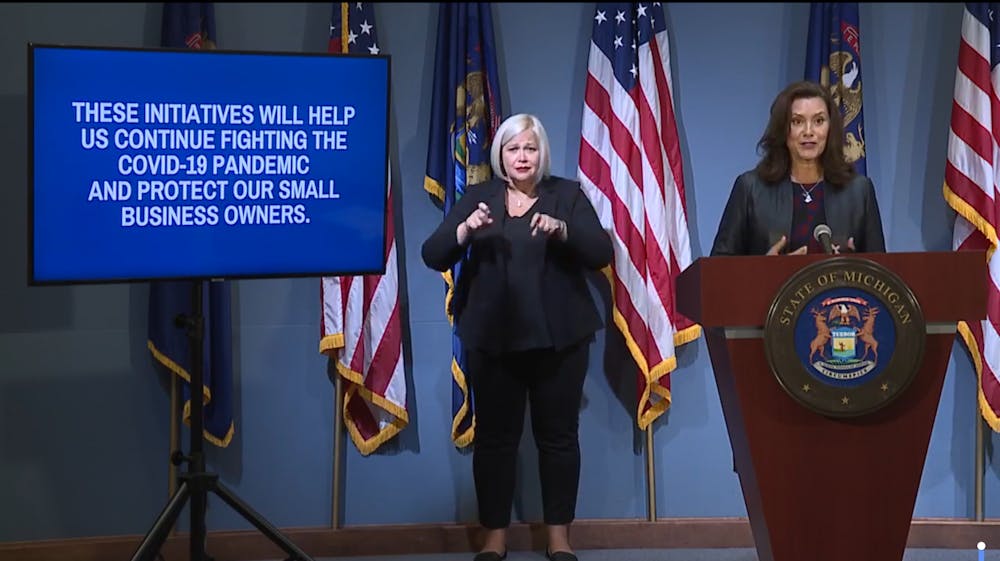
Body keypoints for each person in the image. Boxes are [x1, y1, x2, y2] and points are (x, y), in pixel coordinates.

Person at [422, 113, 612, 561]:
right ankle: (494, 538)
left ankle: (559, 538)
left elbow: (601, 251)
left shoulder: (565, 195)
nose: (522, 156)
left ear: (540, 153)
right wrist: (465, 230)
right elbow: (433, 253)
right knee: (494, 440)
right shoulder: (479, 196)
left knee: (559, 439)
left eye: (529, 148)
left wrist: (563, 230)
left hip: (559, 341)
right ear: (500, 155)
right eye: (513, 148)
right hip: (493, 340)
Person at [710, 80, 886, 256]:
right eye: (797, 121)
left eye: (819, 121)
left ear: (830, 128)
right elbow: (717, 270)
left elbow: (881, 274)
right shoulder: (750, 189)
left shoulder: (859, 191)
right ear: (783, 129)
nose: (808, 131)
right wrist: (764, 270)